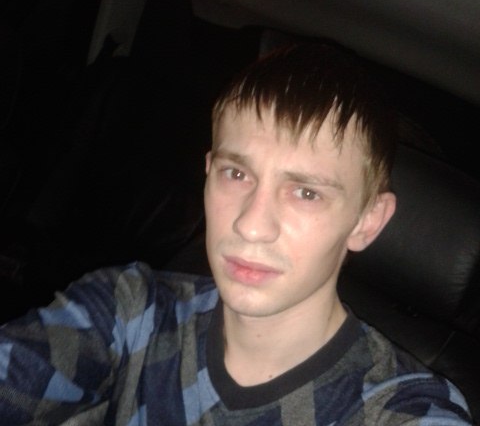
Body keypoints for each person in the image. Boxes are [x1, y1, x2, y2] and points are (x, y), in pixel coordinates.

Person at [0, 43, 472, 425]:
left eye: (306, 193)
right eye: (237, 174)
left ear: (367, 221)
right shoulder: (128, 309)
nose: (251, 225)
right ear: (208, 173)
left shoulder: (397, 410)